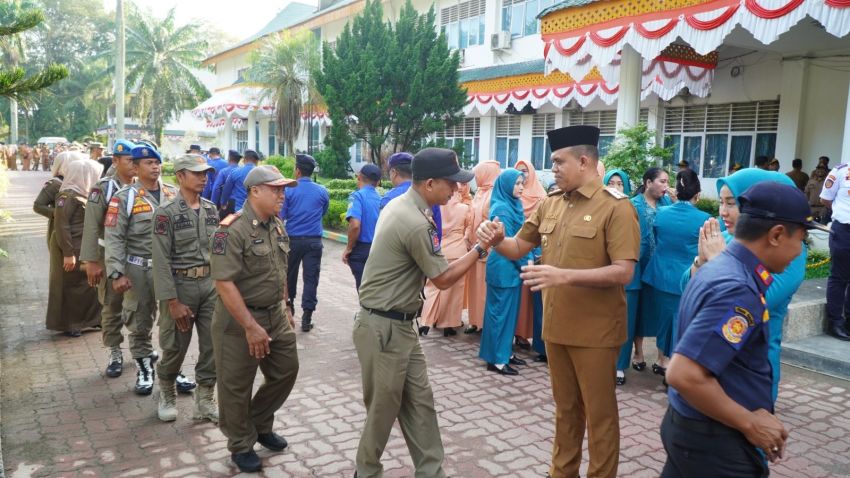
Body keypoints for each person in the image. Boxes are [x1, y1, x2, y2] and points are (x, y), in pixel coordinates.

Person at [477, 125, 640, 478]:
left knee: (599, 417)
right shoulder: (551, 204)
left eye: (558, 162)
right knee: (566, 412)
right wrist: (496, 239)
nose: (553, 170)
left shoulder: (616, 208)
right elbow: (518, 247)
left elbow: (623, 271)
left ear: (584, 161)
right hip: (556, 328)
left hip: (596, 333)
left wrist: (563, 275)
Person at [662, 182, 829, 477]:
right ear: (776, 234)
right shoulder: (737, 288)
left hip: (695, 431)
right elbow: (683, 373)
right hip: (714, 444)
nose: (799, 251)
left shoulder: (722, 266)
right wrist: (750, 423)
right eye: (801, 239)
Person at [353, 147, 488, 478]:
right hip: (383, 327)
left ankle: (431, 471)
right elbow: (442, 279)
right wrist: (481, 248)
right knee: (383, 410)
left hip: (398, 325)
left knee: (420, 403)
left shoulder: (407, 205)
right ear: (429, 183)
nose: (457, 188)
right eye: (451, 182)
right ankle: (365, 472)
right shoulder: (413, 220)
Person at [687, 169, 808, 400]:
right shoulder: (725, 237)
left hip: (750, 368)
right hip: (706, 361)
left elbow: (758, 300)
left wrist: (715, 262)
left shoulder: (787, 250)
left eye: (731, 203)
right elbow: (687, 285)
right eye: (721, 202)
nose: (723, 211)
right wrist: (699, 261)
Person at [210, 165, 299, 473]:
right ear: (255, 191)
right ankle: (240, 444)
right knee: (236, 386)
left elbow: (280, 267)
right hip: (238, 320)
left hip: (274, 313)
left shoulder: (276, 225)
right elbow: (224, 283)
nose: (282, 195)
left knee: (286, 370)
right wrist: (250, 326)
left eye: (283, 189)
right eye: (276, 189)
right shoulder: (230, 230)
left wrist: (286, 304)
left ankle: (259, 422)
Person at [151, 154, 220, 423]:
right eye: (197, 173)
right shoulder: (165, 214)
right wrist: (171, 301)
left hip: (210, 285)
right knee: (175, 346)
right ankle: (167, 390)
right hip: (181, 287)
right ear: (180, 176)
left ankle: (204, 399)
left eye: (205, 173)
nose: (204, 177)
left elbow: (218, 251)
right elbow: (160, 260)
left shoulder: (211, 209)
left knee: (213, 344)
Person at [105, 145, 178, 395]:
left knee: (174, 320)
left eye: (157, 162)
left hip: (169, 270)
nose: (155, 166)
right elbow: (113, 236)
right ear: (135, 168)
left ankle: (173, 368)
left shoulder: (173, 193)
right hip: (138, 269)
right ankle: (145, 368)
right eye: (148, 163)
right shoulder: (124, 197)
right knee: (140, 321)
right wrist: (116, 272)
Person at [642, 169, 709, 384]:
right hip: (687, 277)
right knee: (683, 323)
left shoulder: (661, 214)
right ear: (696, 194)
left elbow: (656, 238)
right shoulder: (704, 219)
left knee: (664, 320)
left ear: (676, 192)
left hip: (660, 275)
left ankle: (663, 361)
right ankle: (673, 367)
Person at [80, 139, 137, 378]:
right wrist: (91, 261)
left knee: (140, 306)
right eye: (129, 160)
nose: (135, 165)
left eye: (137, 160)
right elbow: (91, 225)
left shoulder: (143, 186)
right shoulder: (103, 189)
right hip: (108, 255)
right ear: (115, 160)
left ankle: (140, 347)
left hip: (137, 257)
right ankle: (115, 351)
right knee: (112, 305)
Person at [479, 168, 529, 375]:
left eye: (522, 183)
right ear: (506, 185)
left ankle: (505, 352)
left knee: (509, 315)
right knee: (499, 314)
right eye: (517, 183)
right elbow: (507, 243)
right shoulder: (502, 208)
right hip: (503, 267)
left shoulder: (514, 204)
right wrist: (527, 264)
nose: (520, 187)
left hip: (512, 268)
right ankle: (496, 360)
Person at [46, 160, 104, 336]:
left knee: (87, 286)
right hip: (68, 247)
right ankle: (71, 324)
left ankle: (92, 320)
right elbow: (62, 226)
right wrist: (68, 254)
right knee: (69, 287)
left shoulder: (83, 194)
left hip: (82, 246)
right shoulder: (66, 196)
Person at [632, 168, 675, 375]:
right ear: (648, 182)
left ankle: (661, 357)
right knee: (640, 309)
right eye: (662, 181)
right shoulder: (633, 205)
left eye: (668, 182)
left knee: (661, 311)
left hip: (661, 268)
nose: (666, 186)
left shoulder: (667, 204)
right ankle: (638, 353)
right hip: (640, 265)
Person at [280, 153, 329, 332]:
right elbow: (323, 211)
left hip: (292, 240)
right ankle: (307, 316)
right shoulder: (322, 191)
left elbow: (281, 216)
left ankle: (289, 308)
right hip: (314, 241)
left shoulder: (288, 190)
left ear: (298, 171)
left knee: (289, 276)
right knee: (311, 278)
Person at [419, 182, 473, 336]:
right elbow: (468, 228)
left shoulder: (438, 207)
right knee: (453, 291)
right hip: (458, 252)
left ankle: (426, 321)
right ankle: (448, 325)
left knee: (432, 287)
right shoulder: (464, 208)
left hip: (440, 249)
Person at [604, 168, 638, 385]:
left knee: (625, 322)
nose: (615, 187)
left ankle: (619, 366)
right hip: (602, 275)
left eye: (620, 183)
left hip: (629, 273)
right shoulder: (598, 208)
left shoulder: (630, 207)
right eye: (611, 182)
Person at [513, 160, 546, 353]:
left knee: (533, 303)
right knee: (519, 299)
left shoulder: (542, 198)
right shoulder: (514, 195)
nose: (523, 176)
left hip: (536, 254)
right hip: (516, 252)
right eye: (519, 172)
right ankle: (518, 334)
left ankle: (530, 336)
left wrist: (534, 253)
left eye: (525, 171)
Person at [466, 160, 501, 334]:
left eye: (478, 174)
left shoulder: (495, 193)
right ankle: (474, 321)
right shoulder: (479, 192)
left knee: (484, 288)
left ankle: (484, 323)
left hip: (487, 249)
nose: (475, 178)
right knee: (474, 287)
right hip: (473, 247)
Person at [381, 152, 443, 240]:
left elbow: (382, 235)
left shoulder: (389, 198)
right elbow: (438, 233)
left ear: (394, 172)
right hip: (426, 250)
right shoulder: (430, 195)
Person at [820, 162, 850, 341]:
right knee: (839, 277)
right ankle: (835, 322)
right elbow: (825, 199)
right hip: (844, 230)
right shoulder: (840, 171)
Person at [34, 150, 85, 247]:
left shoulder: (79, 182)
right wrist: (59, 214)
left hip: (77, 231)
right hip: (59, 230)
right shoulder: (55, 183)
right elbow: (38, 206)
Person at [344, 163, 382, 291]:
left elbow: (355, 225)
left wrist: (349, 248)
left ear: (359, 177)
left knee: (363, 290)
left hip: (361, 250)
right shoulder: (381, 199)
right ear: (377, 183)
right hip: (377, 250)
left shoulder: (357, 196)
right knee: (374, 289)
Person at [220, 149, 260, 215]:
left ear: (244, 160)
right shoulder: (261, 174)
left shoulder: (235, 172)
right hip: (255, 210)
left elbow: (226, 190)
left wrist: (223, 203)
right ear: (256, 161)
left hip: (238, 209)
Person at [211, 150, 242, 215]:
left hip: (227, 205)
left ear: (229, 159)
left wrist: (213, 205)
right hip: (241, 205)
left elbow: (216, 188)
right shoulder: (241, 172)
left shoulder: (224, 172)